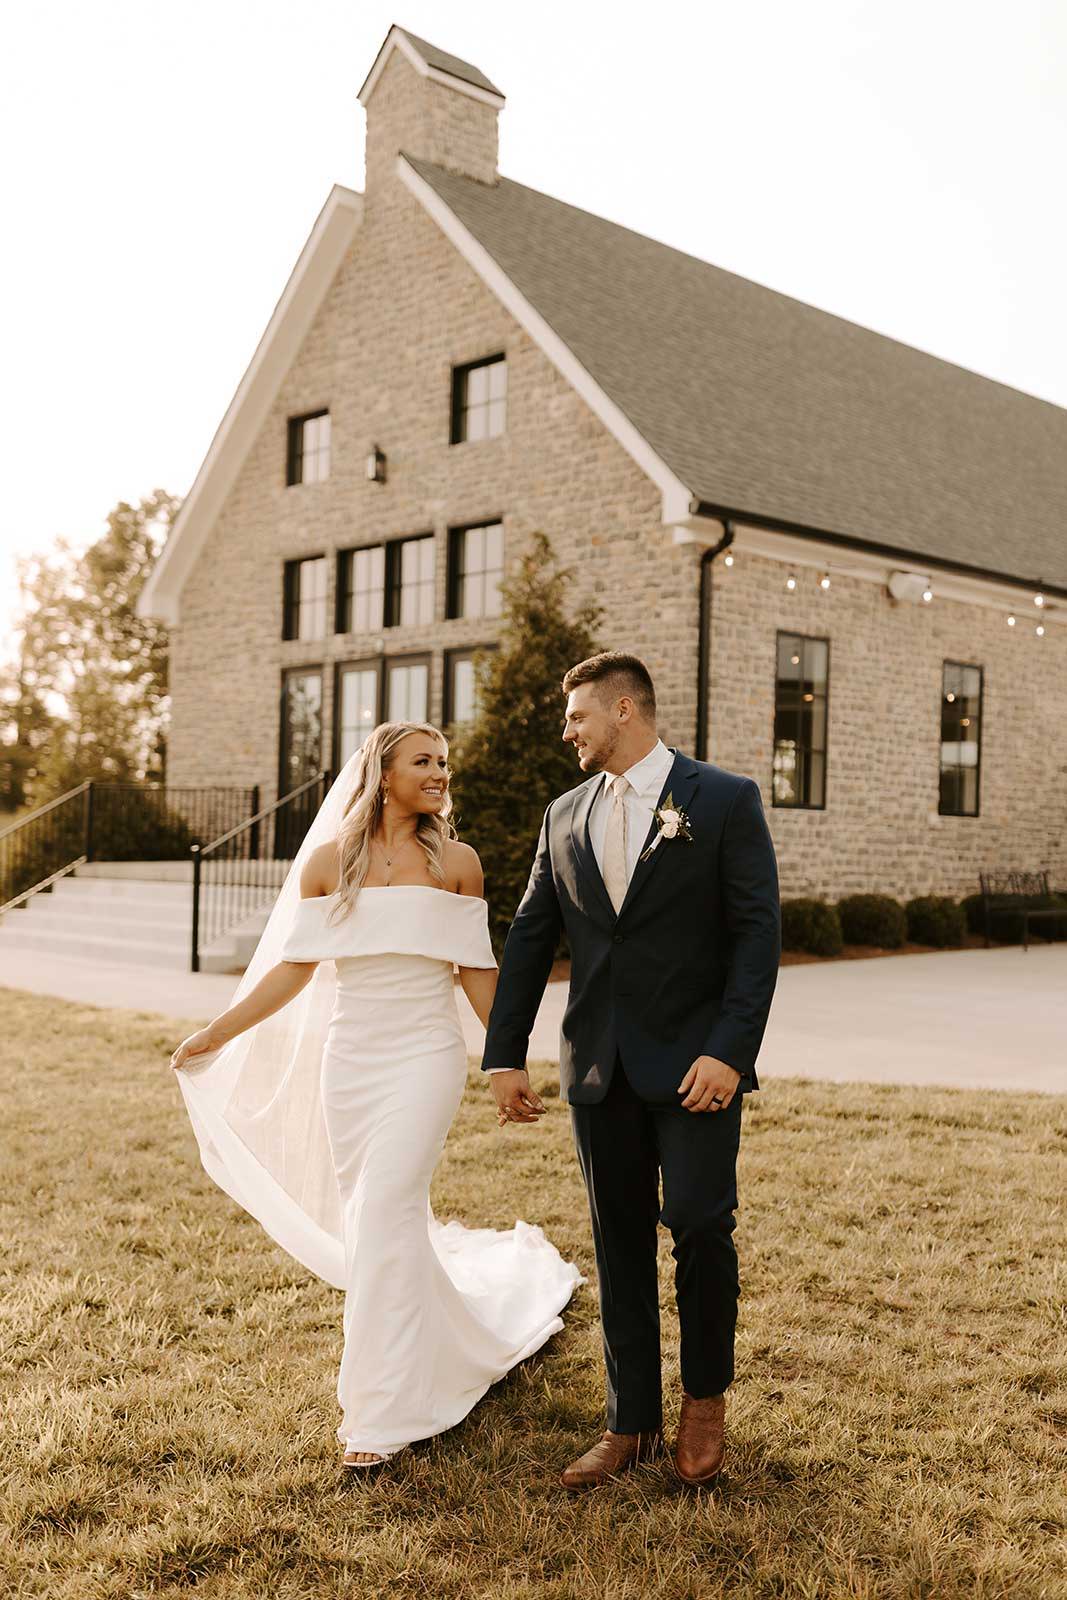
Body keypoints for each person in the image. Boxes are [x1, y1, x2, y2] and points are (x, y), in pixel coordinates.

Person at [170, 721, 583, 1469]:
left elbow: (474, 972)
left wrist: (506, 1061)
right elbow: (295, 969)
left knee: (389, 1204)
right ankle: (430, 1351)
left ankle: (378, 1417)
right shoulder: (330, 863)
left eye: (443, 763)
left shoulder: (457, 862)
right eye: (423, 761)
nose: (439, 774)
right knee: (376, 1220)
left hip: (424, 1055)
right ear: (382, 774)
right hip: (350, 1061)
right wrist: (217, 1032)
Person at [482, 652, 781, 1490]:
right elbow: (531, 938)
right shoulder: (562, 814)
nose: (566, 731)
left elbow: (756, 936)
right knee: (617, 1246)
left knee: (697, 1227)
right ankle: (629, 1424)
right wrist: (504, 1053)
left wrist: (730, 1050)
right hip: (596, 1072)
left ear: (623, 709)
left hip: (697, 1068)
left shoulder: (722, 800)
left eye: (577, 716)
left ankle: (703, 1406)